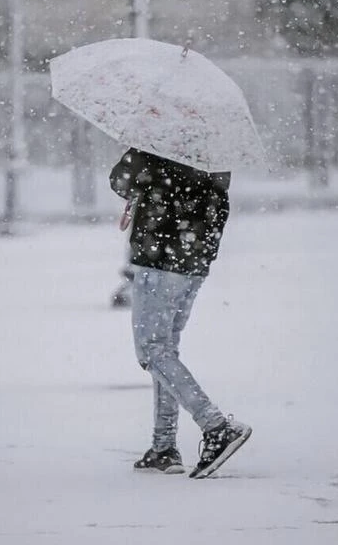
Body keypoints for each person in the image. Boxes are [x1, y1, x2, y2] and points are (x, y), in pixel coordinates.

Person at [109, 147, 251, 479]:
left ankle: (216, 426)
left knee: (152, 350)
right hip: (194, 260)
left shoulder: (156, 142)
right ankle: (163, 448)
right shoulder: (213, 148)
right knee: (165, 349)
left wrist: (137, 165)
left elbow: (120, 179)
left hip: (159, 259)